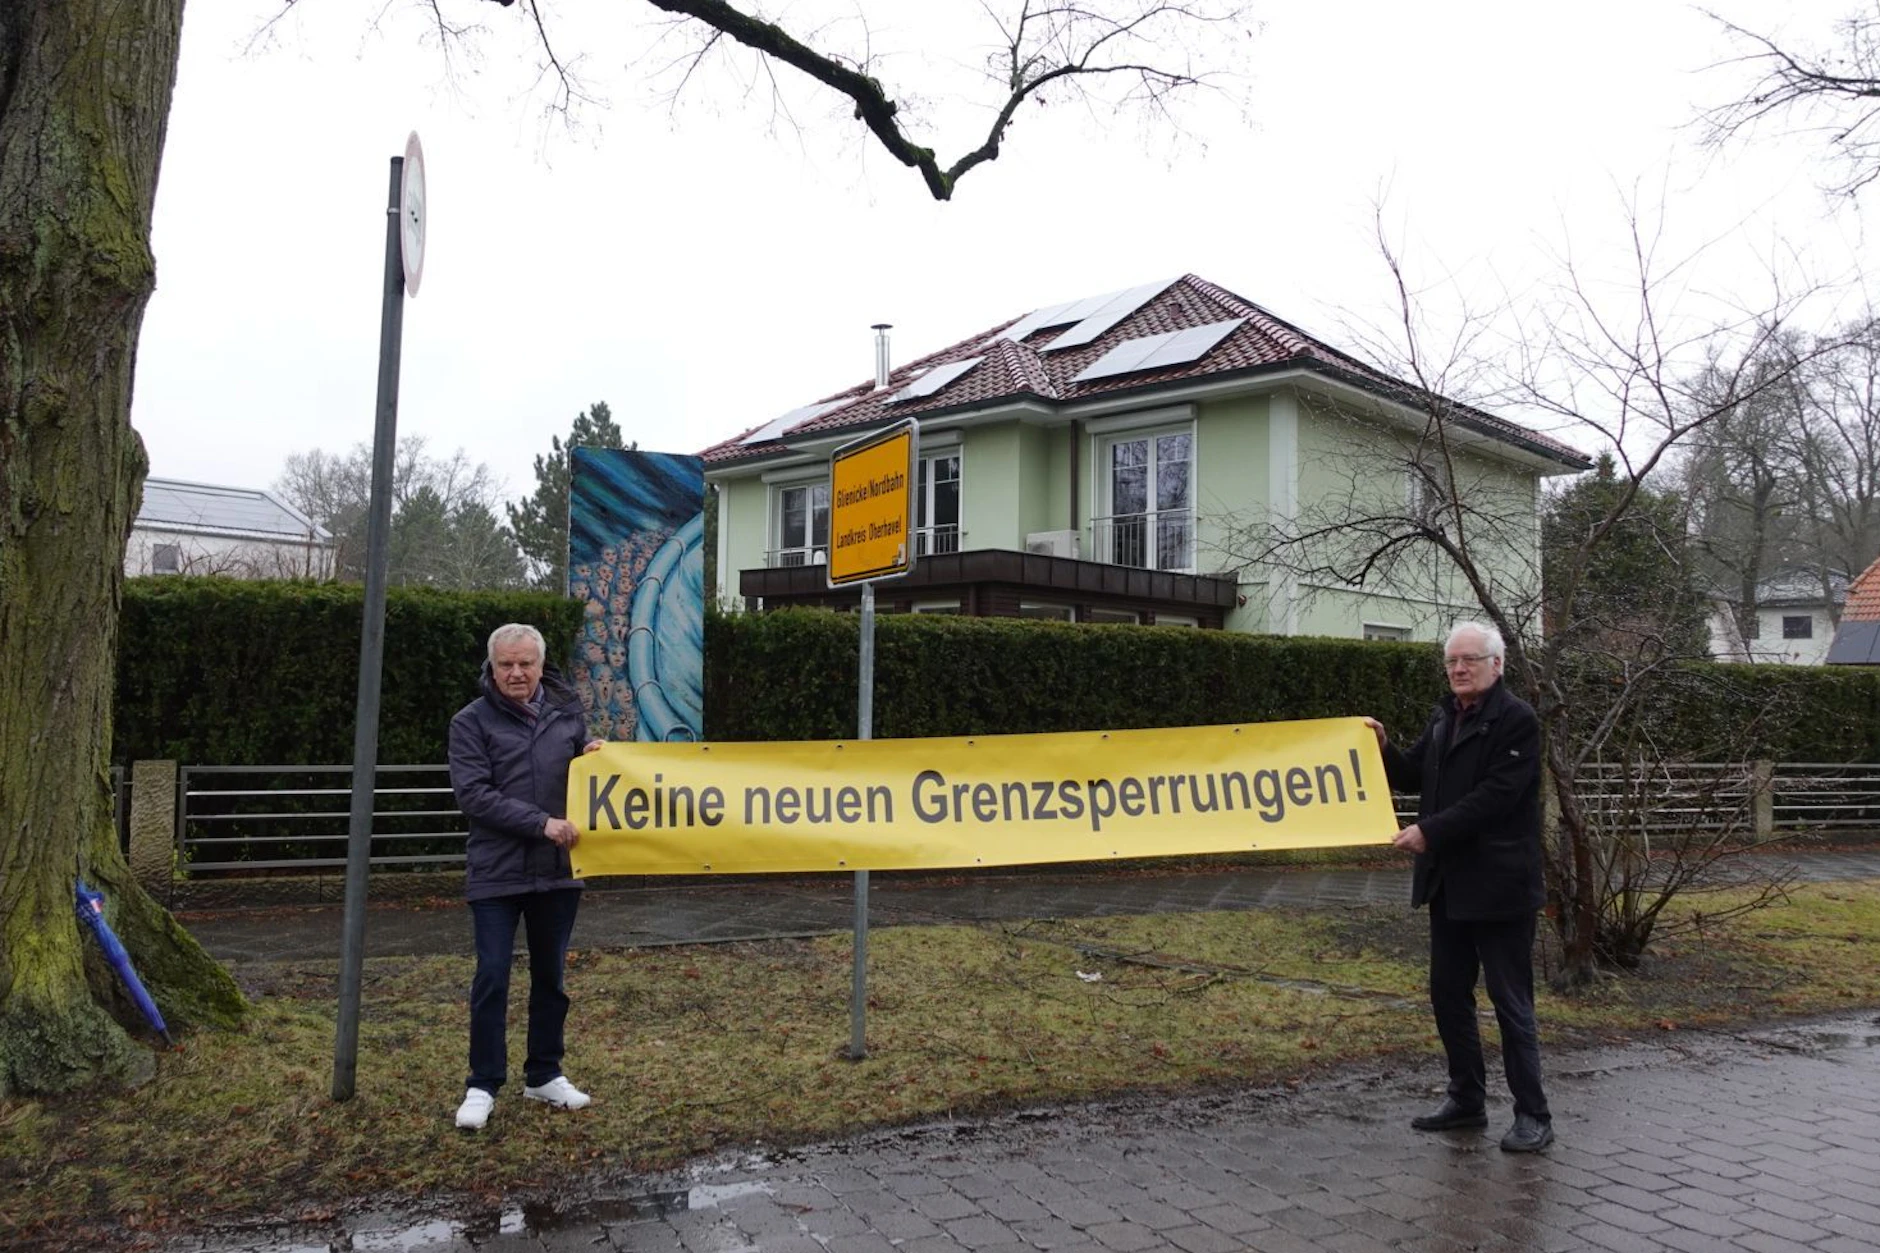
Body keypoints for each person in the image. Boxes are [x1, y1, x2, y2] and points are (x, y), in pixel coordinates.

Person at [1362, 620, 1554, 1153]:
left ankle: (1533, 1114)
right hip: (1448, 886)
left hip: (1501, 889)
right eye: (1451, 662)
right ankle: (1466, 1100)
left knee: (1510, 1002)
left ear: (1497, 665)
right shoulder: (1445, 716)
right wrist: (1382, 747)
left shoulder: (1517, 721)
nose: (1459, 669)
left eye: (1469, 660)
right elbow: (1415, 776)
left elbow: (1497, 796)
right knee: (1448, 995)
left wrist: (1430, 831)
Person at [447, 622, 603, 1131]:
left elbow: (584, 773)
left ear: (540, 664)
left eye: (525, 663)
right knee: (492, 976)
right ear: (492, 668)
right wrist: (541, 824)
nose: (516, 673)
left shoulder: (567, 716)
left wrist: (599, 760)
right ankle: (482, 1083)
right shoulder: (470, 722)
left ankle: (544, 1074)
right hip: (496, 872)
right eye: (506, 664)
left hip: (559, 874)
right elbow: (473, 795)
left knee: (550, 979)